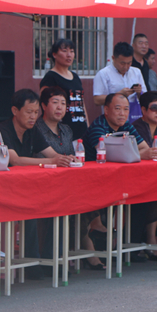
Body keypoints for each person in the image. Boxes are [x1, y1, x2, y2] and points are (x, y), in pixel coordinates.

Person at [0, 89, 74, 279]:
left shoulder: (33, 130)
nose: (33, 117)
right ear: (15, 111)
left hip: (28, 187)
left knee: (60, 206)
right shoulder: (2, 130)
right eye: (28, 112)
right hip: (4, 189)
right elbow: (15, 160)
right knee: (30, 213)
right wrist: (51, 161)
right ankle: (31, 262)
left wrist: (66, 159)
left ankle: (51, 259)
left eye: (35, 112)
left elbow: (52, 154)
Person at [35, 87, 105, 270]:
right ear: (43, 105)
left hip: (67, 183)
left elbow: (70, 156)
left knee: (91, 198)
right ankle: (61, 256)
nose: (60, 107)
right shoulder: (36, 128)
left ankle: (78, 247)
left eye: (63, 103)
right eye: (55, 102)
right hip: (44, 182)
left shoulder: (66, 130)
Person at [130, 91, 157, 258]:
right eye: (154, 108)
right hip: (137, 178)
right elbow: (148, 152)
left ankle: (152, 238)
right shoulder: (136, 127)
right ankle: (144, 240)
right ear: (143, 110)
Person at [39, 39, 89, 140]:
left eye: (72, 51)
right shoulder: (50, 77)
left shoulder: (75, 77)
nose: (69, 55)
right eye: (64, 51)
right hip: (62, 133)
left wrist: (87, 126)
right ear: (54, 54)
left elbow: (81, 104)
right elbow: (44, 104)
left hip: (81, 131)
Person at [93, 42, 145, 122]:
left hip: (134, 118)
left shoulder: (136, 72)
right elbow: (97, 100)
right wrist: (119, 94)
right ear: (113, 58)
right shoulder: (103, 74)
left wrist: (139, 92)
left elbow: (145, 98)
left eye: (129, 63)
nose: (126, 67)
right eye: (122, 63)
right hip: (113, 120)